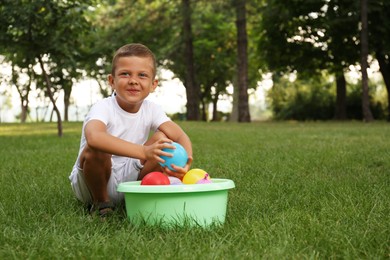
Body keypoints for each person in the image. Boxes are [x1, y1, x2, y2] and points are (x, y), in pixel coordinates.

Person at [69, 43, 193, 218]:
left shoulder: (152, 109)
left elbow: (179, 135)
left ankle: (142, 195)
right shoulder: (103, 107)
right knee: (98, 148)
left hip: (131, 177)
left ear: (153, 84)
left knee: (162, 139)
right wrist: (143, 151)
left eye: (142, 75)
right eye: (125, 74)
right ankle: (101, 205)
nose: (133, 80)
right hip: (93, 183)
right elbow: (94, 138)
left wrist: (186, 162)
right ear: (112, 81)